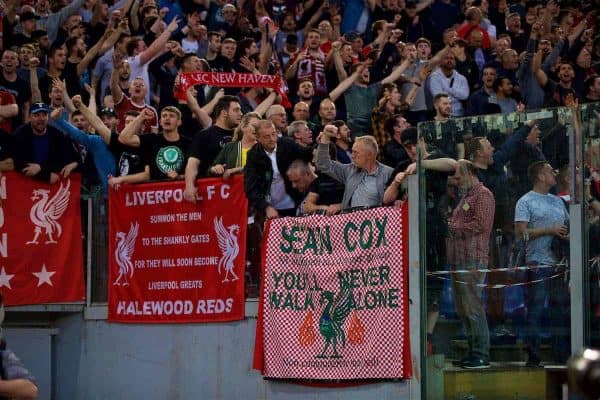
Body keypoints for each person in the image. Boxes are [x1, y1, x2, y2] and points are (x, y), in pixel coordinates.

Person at [514, 161, 570, 366]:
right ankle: (533, 354)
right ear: (539, 176)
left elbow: (566, 228)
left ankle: (561, 355)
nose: (554, 173)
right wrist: (549, 230)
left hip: (559, 265)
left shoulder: (558, 202)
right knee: (536, 309)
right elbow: (521, 234)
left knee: (561, 311)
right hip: (537, 264)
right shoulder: (525, 201)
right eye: (549, 171)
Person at [447, 160, 495, 369]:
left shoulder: (483, 194)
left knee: (473, 306)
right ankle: (472, 349)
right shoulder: (465, 197)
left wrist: (454, 226)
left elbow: (481, 224)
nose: (457, 182)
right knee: (464, 307)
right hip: (459, 257)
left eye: (459, 177)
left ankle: (482, 353)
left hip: (473, 257)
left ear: (470, 173)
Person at [244, 120, 313, 219]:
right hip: (270, 208)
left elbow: (306, 154)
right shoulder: (253, 155)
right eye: (267, 137)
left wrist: (321, 145)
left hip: (294, 201)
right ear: (258, 138)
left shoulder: (287, 144)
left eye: (273, 134)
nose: (272, 139)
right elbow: (250, 187)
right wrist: (265, 207)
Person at [317, 125, 393, 210]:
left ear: (369, 155)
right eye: (352, 152)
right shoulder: (349, 170)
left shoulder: (388, 173)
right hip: (352, 221)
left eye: (356, 152)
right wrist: (325, 138)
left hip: (377, 221)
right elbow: (323, 164)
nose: (352, 156)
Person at [184, 95, 242, 201]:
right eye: (236, 110)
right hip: (212, 196)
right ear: (224, 113)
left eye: (240, 110)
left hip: (238, 195)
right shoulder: (204, 135)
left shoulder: (242, 135)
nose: (241, 114)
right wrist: (189, 186)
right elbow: (192, 164)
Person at [12, 102, 79, 183]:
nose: (42, 118)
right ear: (29, 117)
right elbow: (18, 163)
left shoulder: (57, 134)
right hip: (25, 184)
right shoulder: (20, 134)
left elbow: (70, 156)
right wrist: (45, 175)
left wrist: (75, 163)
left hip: (52, 186)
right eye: (37, 115)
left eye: (44, 115)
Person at [208, 112, 260, 178]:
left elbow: (263, 169)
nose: (257, 129)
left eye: (259, 127)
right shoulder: (229, 147)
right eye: (254, 126)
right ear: (243, 126)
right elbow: (210, 170)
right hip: (234, 188)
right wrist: (215, 169)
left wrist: (235, 170)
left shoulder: (263, 148)